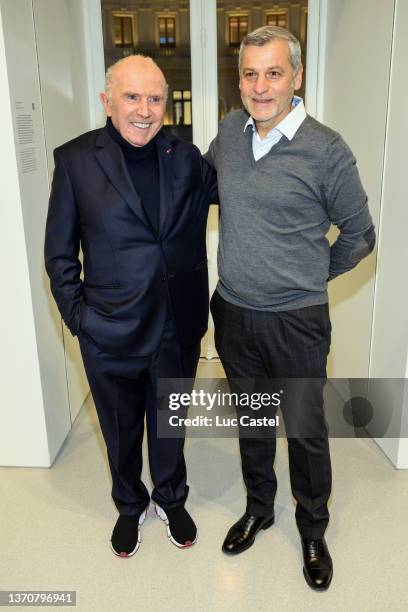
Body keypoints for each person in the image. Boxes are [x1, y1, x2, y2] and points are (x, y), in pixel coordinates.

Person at [206, 25, 375, 590]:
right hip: (233, 313)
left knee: (304, 430)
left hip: (297, 321)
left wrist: (310, 275)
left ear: (296, 77)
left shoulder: (327, 150)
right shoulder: (230, 133)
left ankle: (312, 527)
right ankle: (260, 507)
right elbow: (200, 190)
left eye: (273, 73)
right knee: (252, 421)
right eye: (250, 74)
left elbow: (358, 234)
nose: (260, 86)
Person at [45, 55, 217, 557]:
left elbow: (237, 187)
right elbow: (59, 253)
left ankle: (170, 495)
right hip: (109, 330)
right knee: (120, 431)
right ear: (107, 101)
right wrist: (81, 321)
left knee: (171, 420)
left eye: (155, 98)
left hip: (177, 327)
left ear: (167, 102)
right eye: (132, 97)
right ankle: (128, 503)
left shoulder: (183, 157)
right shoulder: (75, 160)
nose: (144, 110)